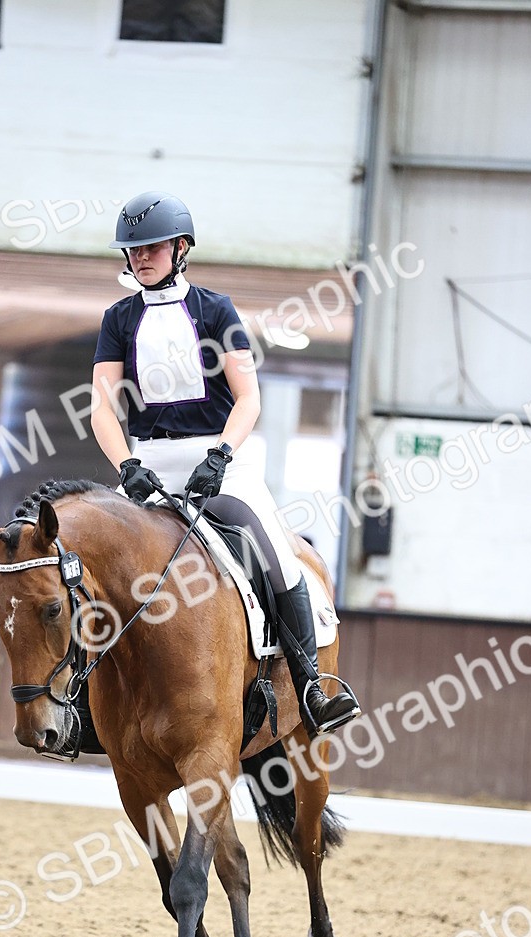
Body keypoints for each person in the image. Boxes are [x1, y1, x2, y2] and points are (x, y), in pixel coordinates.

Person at [90, 191, 359, 737]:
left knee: (277, 557)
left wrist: (221, 455)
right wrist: (126, 465)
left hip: (220, 463)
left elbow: (249, 398)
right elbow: (101, 407)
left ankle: (310, 684)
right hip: (147, 466)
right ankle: (85, 700)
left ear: (181, 247)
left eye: (152, 247)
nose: (141, 257)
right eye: (133, 250)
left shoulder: (216, 310)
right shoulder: (118, 319)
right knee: (93, 569)